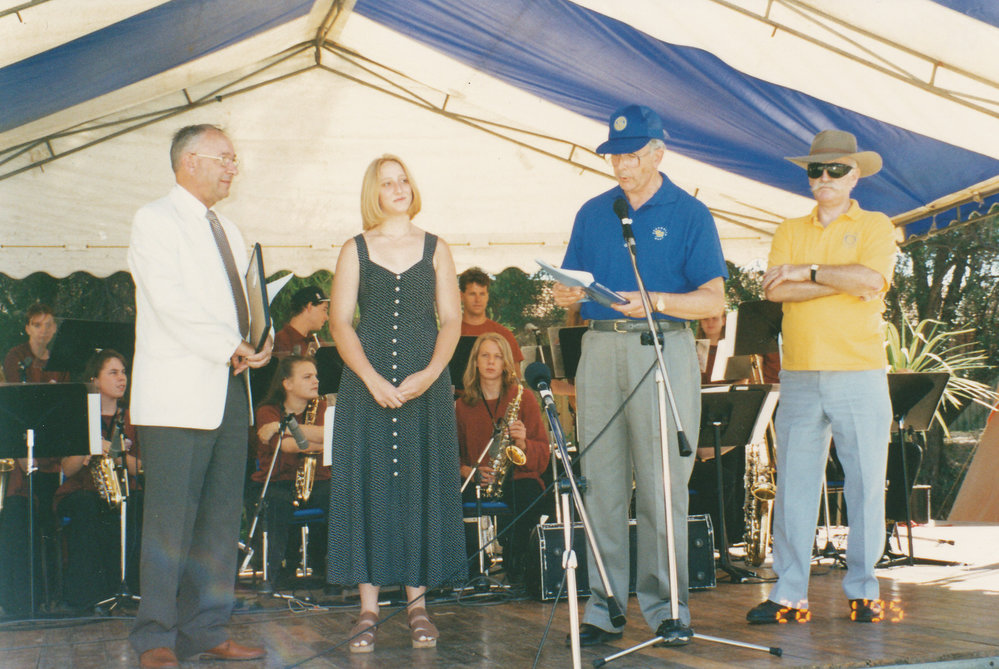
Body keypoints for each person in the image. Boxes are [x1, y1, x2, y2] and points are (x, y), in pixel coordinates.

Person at [552, 104, 726, 645]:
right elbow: (573, 294)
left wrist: (658, 300)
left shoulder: (691, 214)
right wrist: (566, 295)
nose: (621, 168)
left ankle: (667, 607)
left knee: (661, 486)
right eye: (613, 157)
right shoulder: (592, 211)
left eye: (630, 156)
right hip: (600, 351)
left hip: (664, 347)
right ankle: (603, 606)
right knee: (600, 483)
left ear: (657, 153)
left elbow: (713, 300)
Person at [127, 124, 272, 668]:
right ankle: (156, 637)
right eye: (225, 158)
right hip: (177, 396)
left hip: (230, 388)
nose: (234, 167)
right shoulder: (154, 220)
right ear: (190, 161)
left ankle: (206, 628)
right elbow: (170, 300)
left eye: (235, 159)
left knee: (219, 518)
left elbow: (245, 302)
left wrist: (262, 337)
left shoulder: (230, 230)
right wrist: (230, 342)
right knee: (170, 522)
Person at [747, 130, 896, 625]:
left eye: (837, 169)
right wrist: (839, 279)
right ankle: (789, 594)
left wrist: (806, 272)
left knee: (865, 483)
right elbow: (774, 292)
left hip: (860, 371)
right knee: (794, 486)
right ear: (808, 177)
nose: (826, 177)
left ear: (856, 175)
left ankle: (865, 588)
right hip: (801, 375)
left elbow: (872, 282)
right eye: (817, 169)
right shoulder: (789, 228)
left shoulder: (876, 225)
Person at [327, 153, 465, 653]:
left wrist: (430, 374)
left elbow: (451, 319)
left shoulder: (436, 248)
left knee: (418, 487)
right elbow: (340, 321)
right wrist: (369, 379)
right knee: (368, 487)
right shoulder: (354, 249)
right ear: (374, 193)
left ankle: (418, 607)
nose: (399, 188)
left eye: (404, 179)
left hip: (422, 390)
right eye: (388, 183)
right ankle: (367, 609)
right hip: (367, 390)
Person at [455, 333, 550, 586]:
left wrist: (522, 442)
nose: (490, 362)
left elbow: (542, 456)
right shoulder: (462, 406)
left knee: (529, 494)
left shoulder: (524, 398)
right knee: (444, 500)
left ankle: (516, 565)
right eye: (485, 355)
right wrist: (470, 471)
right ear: (475, 361)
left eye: (498, 357)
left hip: (516, 478)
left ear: (506, 363)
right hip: (476, 480)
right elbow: (452, 457)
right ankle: (470, 570)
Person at [54, 349, 143, 612]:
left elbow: (141, 467)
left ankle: (133, 589)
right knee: (86, 506)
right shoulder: (80, 417)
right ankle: (87, 597)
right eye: (113, 372)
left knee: (140, 505)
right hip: (83, 490)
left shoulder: (132, 418)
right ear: (95, 380)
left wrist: (117, 454)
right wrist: (91, 446)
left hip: (123, 490)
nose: (122, 378)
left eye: (124, 372)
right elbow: (67, 469)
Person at [250, 355, 329, 593]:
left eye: (315, 375)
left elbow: (330, 434)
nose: (315, 380)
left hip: (318, 479)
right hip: (279, 480)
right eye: (307, 377)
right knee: (277, 503)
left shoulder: (322, 406)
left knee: (339, 498)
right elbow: (287, 446)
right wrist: (316, 440)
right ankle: (276, 573)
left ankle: (331, 571)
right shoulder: (267, 410)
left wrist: (280, 427)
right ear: (287, 383)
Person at [458, 267, 524, 366]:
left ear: (487, 296)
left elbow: (515, 378)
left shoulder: (504, 334)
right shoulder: (452, 333)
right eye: (472, 294)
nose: (478, 299)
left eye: (482, 294)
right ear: (461, 296)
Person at [3, 303, 70, 384]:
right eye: (37, 325)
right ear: (27, 329)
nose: (44, 330)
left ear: (54, 328)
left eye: (48, 325)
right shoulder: (16, 356)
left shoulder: (59, 360)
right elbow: (15, 393)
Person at [274, 287, 330, 355]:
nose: (327, 317)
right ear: (310, 306)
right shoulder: (280, 341)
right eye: (324, 309)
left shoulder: (318, 343)